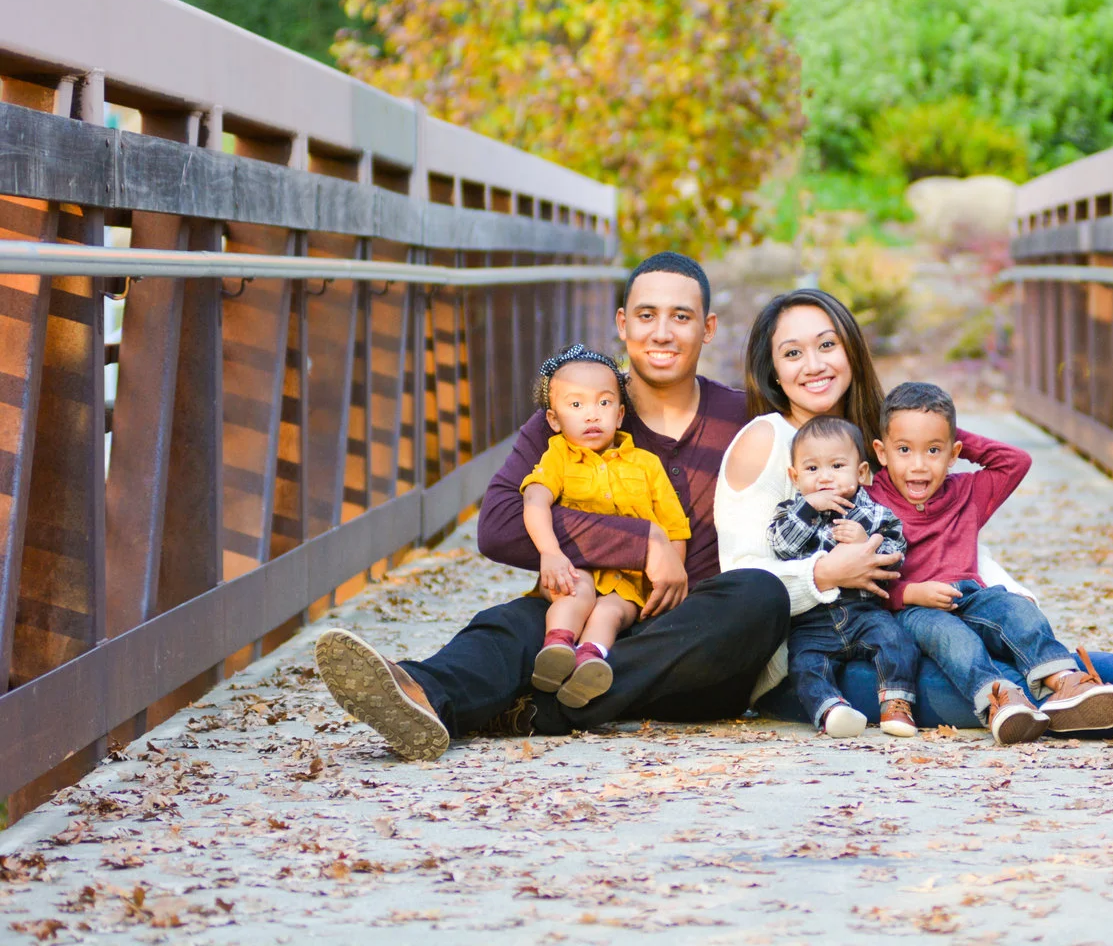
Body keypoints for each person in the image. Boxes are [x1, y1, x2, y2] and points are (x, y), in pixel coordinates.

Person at [716, 288, 1113, 744]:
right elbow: (743, 585)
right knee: (971, 675)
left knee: (1000, 635)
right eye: (793, 353)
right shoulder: (768, 440)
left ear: (851, 351)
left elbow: (943, 534)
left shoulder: (868, 445)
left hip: (881, 628)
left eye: (826, 345)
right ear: (773, 369)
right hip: (809, 666)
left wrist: (1003, 584)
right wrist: (826, 574)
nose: (813, 364)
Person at [315, 252, 787, 760]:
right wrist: (640, 542)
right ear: (622, 324)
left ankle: (541, 706)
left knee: (760, 596)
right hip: (584, 610)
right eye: (647, 315)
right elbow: (497, 523)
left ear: (708, 327)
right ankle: (423, 693)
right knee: (520, 620)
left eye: (682, 316)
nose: (662, 333)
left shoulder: (749, 418)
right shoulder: (573, 410)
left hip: (691, 641)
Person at [870, 381, 1113, 742]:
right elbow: (865, 581)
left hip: (971, 595)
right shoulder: (870, 500)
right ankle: (1001, 699)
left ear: (954, 452)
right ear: (881, 453)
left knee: (1016, 609)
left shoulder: (968, 492)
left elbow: (1015, 462)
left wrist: (944, 428)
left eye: (933, 450)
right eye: (904, 449)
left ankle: (1064, 683)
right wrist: (910, 593)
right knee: (953, 639)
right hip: (916, 609)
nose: (918, 465)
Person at [519, 344, 691, 708]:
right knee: (576, 591)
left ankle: (590, 661)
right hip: (573, 569)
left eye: (603, 402)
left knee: (610, 612)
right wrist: (549, 553)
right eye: (576, 405)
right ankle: (557, 649)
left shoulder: (646, 465)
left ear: (620, 412)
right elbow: (535, 500)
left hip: (628, 584)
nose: (591, 415)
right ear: (554, 419)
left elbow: (673, 526)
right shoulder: (558, 457)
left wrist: (672, 580)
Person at [768, 416, 918, 737]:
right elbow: (780, 546)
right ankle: (832, 710)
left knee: (897, 642)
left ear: (861, 472)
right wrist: (808, 508)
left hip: (864, 612)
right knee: (804, 664)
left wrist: (867, 544)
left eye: (837, 466)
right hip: (813, 620)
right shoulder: (791, 512)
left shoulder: (875, 514)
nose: (825, 478)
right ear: (795, 477)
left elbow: (895, 556)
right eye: (811, 470)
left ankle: (895, 704)